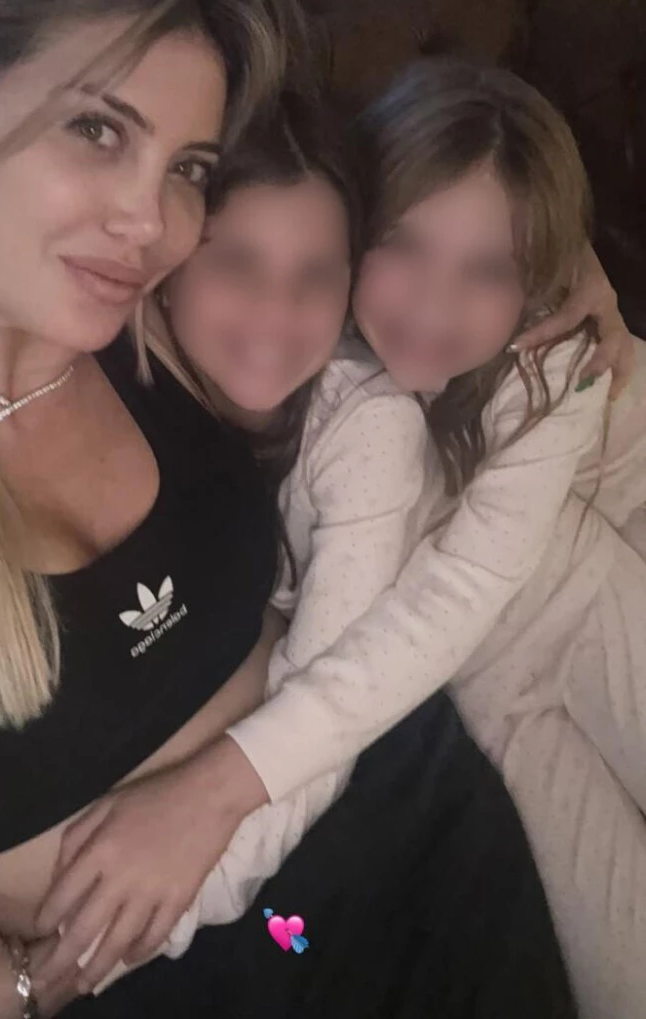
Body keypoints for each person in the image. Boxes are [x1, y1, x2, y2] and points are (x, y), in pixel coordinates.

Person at [0, 0, 580, 1019]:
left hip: (403, 820)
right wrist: (0, 983)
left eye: (186, 167)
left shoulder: (150, 317)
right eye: (95, 127)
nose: (150, 221)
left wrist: (577, 280)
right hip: (153, 978)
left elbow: (397, 228)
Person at [36, 63, 643, 1019]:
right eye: (405, 245)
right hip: (489, 696)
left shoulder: (544, 365)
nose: (435, 302)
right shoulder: (280, 369)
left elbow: (448, 605)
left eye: (489, 270)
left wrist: (153, 889)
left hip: (577, 604)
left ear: (536, 283)